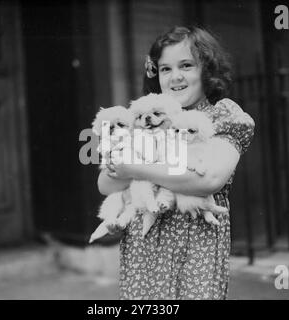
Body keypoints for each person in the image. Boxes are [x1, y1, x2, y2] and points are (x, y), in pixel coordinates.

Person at [97, 26, 255, 300]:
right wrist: (129, 168)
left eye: (186, 65)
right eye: (165, 69)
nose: (175, 77)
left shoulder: (222, 116)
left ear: (206, 69)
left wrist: (134, 168)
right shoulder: (143, 118)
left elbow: (208, 179)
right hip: (143, 249)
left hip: (194, 248)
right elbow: (105, 183)